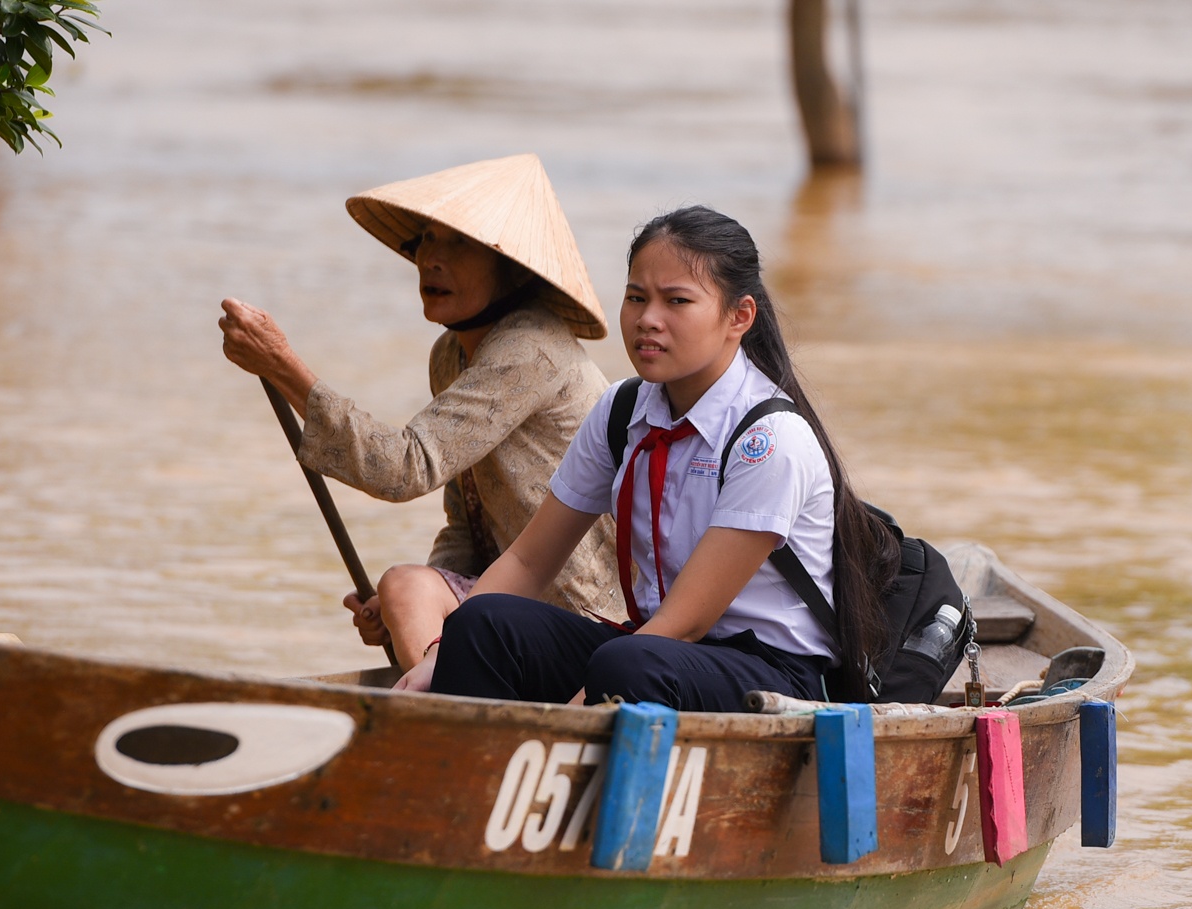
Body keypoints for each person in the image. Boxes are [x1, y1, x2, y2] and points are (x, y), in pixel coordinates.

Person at [396, 205, 899, 713]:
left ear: (739, 316)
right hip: (654, 651)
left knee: (626, 664)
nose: (647, 320)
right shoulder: (621, 410)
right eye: (636, 298)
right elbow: (529, 561)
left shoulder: (770, 439)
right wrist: (441, 652)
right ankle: (480, 775)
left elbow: (688, 621)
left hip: (772, 673)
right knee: (481, 624)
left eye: (676, 301)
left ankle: (544, 765)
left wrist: (574, 713)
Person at [218, 155, 622, 669]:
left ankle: (445, 719)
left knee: (403, 587)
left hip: (585, 615)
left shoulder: (532, 347)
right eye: (427, 239)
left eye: (459, 243)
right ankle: (445, 701)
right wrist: (412, 603)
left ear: (512, 268)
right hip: (512, 601)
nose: (431, 258)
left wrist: (285, 369)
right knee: (406, 591)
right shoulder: (451, 354)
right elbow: (467, 519)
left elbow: (406, 468)